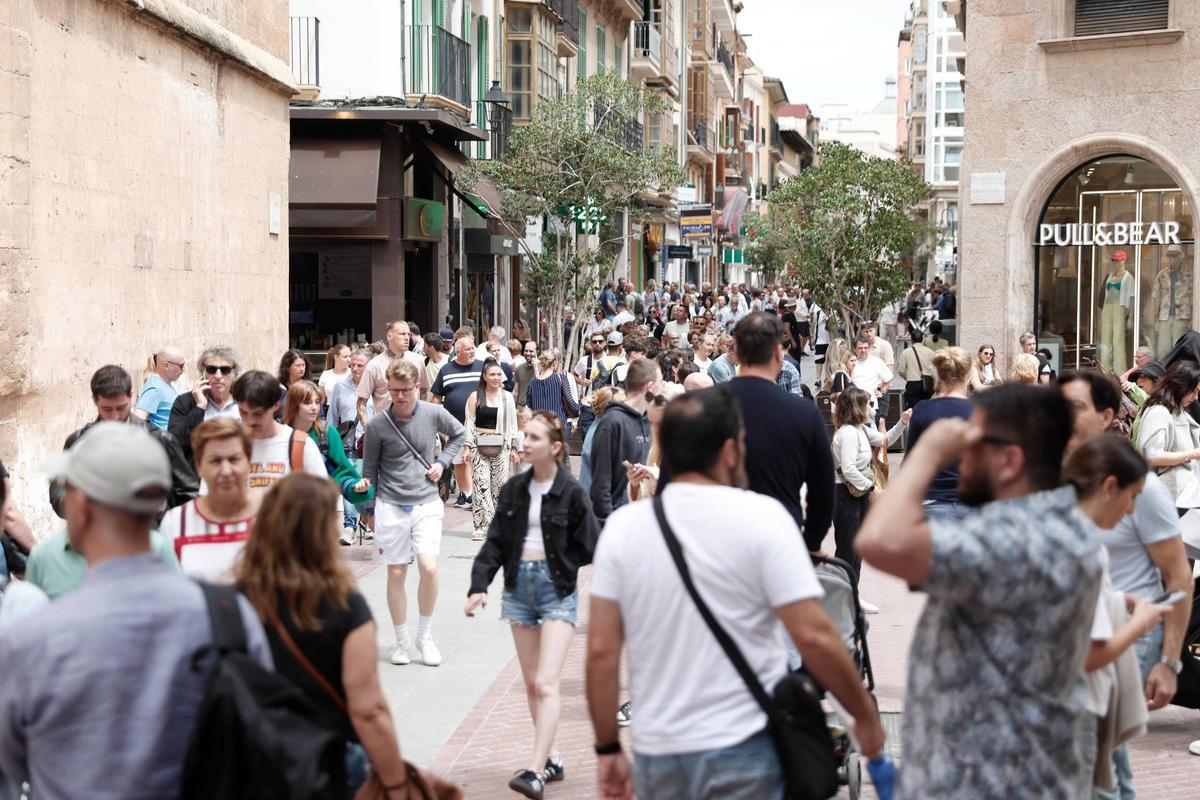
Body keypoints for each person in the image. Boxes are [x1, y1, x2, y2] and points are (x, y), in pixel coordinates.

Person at [587, 388, 885, 800]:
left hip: (662, 751)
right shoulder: (765, 520)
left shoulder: (624, 529)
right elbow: (814, 636)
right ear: (730, 450)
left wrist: (606, 748)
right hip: (747, 742)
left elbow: (601, 651)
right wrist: (862, 712)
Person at [856, 384, 1103, 798]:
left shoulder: (1020, 537)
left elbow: (878, 541)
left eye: (971, 443)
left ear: (1009, 460)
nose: (960, 456)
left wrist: (927, 452)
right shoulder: (1048, 525)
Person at [0, 423, 272, 798]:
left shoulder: (33, 638)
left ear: (81, 507)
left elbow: (13, 763)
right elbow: (258, 732)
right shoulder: (230, 616)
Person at [1059, 370, 1195, 796]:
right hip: (1070, 631)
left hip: (1131, 634)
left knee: (1091, 744)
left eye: (1075, 408)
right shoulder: (1047, 480)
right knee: (1104, 760)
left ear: (1106, 416)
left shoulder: (1143, 489)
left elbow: (1178, 578)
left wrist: (1169, 663)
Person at [235, 473, 408, 796]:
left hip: (253, 758)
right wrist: (396, 783)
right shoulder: (344, 606)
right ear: (322, 530)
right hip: (325, 763)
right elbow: (368, 708)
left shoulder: (236, 599)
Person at [466, 412, 598, 798]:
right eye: (524, 436)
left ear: (555, 448)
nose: (524, 443)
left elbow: (591, 544)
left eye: (533, 438)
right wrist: (478, 586)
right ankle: (552, 755)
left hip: (557, 589)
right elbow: (495, 543)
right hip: (518, 588)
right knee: (530, 682)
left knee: (545, 681)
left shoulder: (572, 493)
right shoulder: (514, 491)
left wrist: (564, 564)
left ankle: (536, 770)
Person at [361, 359, 465, 667]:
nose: (400, 397)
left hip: (426, 501)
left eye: (406, 391)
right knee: (396, 572)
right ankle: (401, 641)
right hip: (391, 502)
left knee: (429, 567)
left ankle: (425, 635)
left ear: (417, 388)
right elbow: (370, 468)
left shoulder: (432, 413)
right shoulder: (378, 424)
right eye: (394, 391)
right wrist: (370, 508)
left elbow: (458, 434)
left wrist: (443, 462)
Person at [725, 313, 835, 552]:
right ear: (778, 355)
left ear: (737, 354)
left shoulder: (697, 406)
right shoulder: (804, 413)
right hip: (781, 542)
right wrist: (812, 543)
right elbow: (823, 489)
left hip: (716, 544)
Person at [51, 365, 198, 517]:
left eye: (121, 408)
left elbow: (188, 493)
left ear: (131, 397)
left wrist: (159, 517)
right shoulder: (78, 442)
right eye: (107, 409)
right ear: (94, 401)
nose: (115, 416)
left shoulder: (160, 440)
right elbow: (57, 494)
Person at [156, 418, 259, 582]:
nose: (226, 471)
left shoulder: (271, 517)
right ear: (199, 466)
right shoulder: (175, 523)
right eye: (215, 461)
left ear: (249, 461)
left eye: (234, 459)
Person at [831, 386, 905, 589]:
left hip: (858, 493)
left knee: (857, 550)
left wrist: (902, 422)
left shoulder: (860, 429)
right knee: (847, 551)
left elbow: (884, 440)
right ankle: (842, 597)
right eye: (868, 404)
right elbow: (848, 469)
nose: (872, 409)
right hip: (846, 494)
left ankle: (852, 595)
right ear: (857, 408)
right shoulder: (848, 434)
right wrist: (872, 487)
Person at [284, 380, 372, 545]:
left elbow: (341, 472)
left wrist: (355, 487)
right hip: (283, 516)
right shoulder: (281, 434)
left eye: (317, 402)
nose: (314, 407)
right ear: (294, 405)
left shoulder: (326, 433)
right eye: (307, 402)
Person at [906, 348, 975, 519]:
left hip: (931, 502)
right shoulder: (982, 412)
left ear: (939, 375)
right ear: (967, 375)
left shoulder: (923, 410)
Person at [588, 358, 658, 527]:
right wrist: (609, 525)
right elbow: (600, 485)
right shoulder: (612, 422)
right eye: (660, 382)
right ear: (650, 387)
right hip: (617, 524)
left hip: (643, 521)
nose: (661, 388)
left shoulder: (650, 422)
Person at [231, 370, 326, 488]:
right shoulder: (230, 445)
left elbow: (322, 498)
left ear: (276, 406)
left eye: (258, 413)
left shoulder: (301, 445)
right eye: (244, 412)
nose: (250, 420)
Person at [464, 359, 520, 542]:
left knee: (499, 487)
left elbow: (513, 424)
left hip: (501, 445)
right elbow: (470, 422)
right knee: (481, 484)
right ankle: (479, 525)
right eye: (492, 375)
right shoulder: (475, 396)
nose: (496, 378)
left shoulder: (507, 397)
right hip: (479, 445)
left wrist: (513, 447)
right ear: (484, 376)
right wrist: (467, 446)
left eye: (498, 375)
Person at [431, 334, 488, 509]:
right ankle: (467, 493)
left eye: (473, 348)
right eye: (468, 349)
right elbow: (436, 399)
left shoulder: (482, 367)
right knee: (459, 462)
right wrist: (435, 422)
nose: (472, 351)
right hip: (455, 426)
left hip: (483, 424)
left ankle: (479, 495)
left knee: (479, 459)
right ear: (458, 352)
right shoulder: (446, 370)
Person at [1133, 359, 1200, 510]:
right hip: (1169, 499)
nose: (1195, 398)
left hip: (1180, 497)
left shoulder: (1176, 410)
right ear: (1180, 385)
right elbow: (1152, 456)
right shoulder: (1159, 411)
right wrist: (1193, 454)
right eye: (1193, 391)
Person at [169, 345, 241, 465]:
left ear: (235, 374)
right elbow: (176, 445)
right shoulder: (185, 402)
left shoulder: (245, 402)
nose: (218, 376)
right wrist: (199, 407)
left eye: (225, 370)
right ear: (203, 373)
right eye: (211, 369)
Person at [357, 320, 427, 427]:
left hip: (414, 427)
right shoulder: (374, 365)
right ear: (390, 336)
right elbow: (361, 404)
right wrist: (369, 429)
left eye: (409, 334)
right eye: (402, 334)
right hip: (385, 429)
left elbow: (424, 392)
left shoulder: (418, 360)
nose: (407, 338)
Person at [525, 349, 579, 429]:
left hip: (539, 427)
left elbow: (529, 407)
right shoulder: (561, 378)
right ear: (554, 362)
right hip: (557, 427)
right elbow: (570, 402)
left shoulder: (532, 383)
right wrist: (580, 410)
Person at [134, 347, 185, 430]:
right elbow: (137, 420)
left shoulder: (163, 384)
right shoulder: (155, 388)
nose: (183, 370)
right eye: (181, 366)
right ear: (166, 365)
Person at [573, 332, 609, 437]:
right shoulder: (584, 361)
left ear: (605, 343)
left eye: (600, 341)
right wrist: (581, 381)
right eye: (594, 341)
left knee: (603, 435)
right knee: (586, 434)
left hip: (604, 404)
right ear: (591, 344)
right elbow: (573, 375)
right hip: (588, 404)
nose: (597, 343)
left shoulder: (610, 360)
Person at [851, 335, 893, 424]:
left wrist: (882, 391)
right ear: (855, 349)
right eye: (860, 348)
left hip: (871, 407)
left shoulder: (876, 362)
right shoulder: (851, 362)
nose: (863, 351)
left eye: (865, 348)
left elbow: (888, 379)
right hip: (853, 406)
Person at [897, 329, 936, 409]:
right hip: (928, 383)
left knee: (914, 409)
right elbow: (935, 370)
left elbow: (901, 370)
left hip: (913, 383)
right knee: (927, 408)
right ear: (922, 339)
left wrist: (908, 377)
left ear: (911, 339)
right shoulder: (930, 352)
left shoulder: (906, 352)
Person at [514, 341, 537, 408]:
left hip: (537, 408)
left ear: (537, 352)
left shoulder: (542, 368)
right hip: (521, 408)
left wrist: (536, 367)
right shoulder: (519, 368)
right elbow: (515, 391)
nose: (527, 353)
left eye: (531, 351)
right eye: (526, 351)